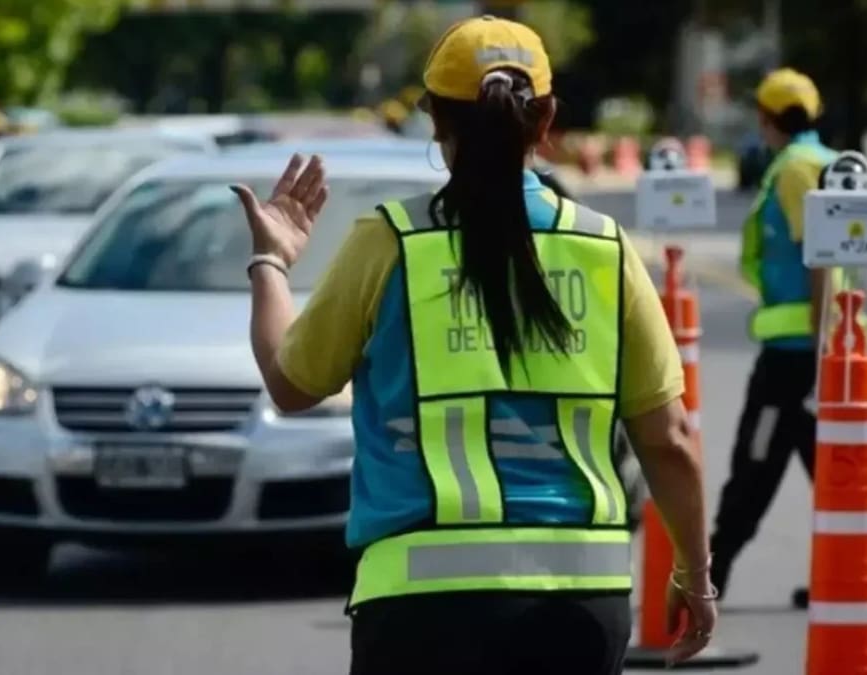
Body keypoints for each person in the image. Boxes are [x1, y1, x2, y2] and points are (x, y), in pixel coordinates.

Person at [233, 16, 716, 673]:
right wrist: (695, 570)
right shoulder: (606, 248)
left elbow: (291, 384)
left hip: (417, 609)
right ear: (546, 121)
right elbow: (671, 439)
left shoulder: (390, 241)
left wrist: (271, 263)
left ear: (434, 120)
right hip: (577, 607)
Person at [709, 68, 839, 600]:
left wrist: (819, 349)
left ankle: (707, 581)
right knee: (833, 472)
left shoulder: (795, 170)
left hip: (795, 357)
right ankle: (840, 577)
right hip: (827, 352)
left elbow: (822, 257)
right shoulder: (830, 162)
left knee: (754, 466)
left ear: (766, 118)